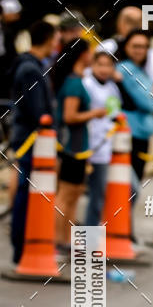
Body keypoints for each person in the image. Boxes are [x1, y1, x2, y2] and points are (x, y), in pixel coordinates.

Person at [9, 20, 56, 264]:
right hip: (32, 142)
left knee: (29, 193)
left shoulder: (33, 66)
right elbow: (40, 113)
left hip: (32, 141)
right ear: (48, 39)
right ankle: (21, 247)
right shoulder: (31, 70)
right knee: (27, 194)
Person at [52, 39, 106, 250]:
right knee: (66, 193)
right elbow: (70, 115)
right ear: (82, 54)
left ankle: (66, 238)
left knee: (75, 192)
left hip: (78, 146)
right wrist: (94, 113)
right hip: (71, 146)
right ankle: (58, 239)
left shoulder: (76, 79)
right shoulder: (74, 82)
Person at [116, 29, 153, 210]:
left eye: (144, 47)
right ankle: (105, 233)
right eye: (135, 46)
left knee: (131, 188)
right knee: (128, 187)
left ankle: (123, 231)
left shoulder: (139, 70)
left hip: (140, 135)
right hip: (127, 135)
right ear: (126, 46)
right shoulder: (124, 68)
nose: (140, 50)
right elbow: (151, 103)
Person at [100, 7, 153, 139]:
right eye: (130, 21)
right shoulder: (107, 47)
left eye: (138, 21)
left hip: (140, 126)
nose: (134, 25)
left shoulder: (150, 53)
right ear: (120, 23)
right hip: (109, 121)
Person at [82, 50, 122, 226]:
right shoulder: (87, 84)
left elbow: (114, 114)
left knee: (127, 189)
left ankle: (110, 231)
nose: (104, 69)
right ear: (93, 65)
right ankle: (87, 246)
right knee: (95, 197)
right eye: (100, 65)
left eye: (108, 65)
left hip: (110, 146)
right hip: (92, 147)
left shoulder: (112, 87)